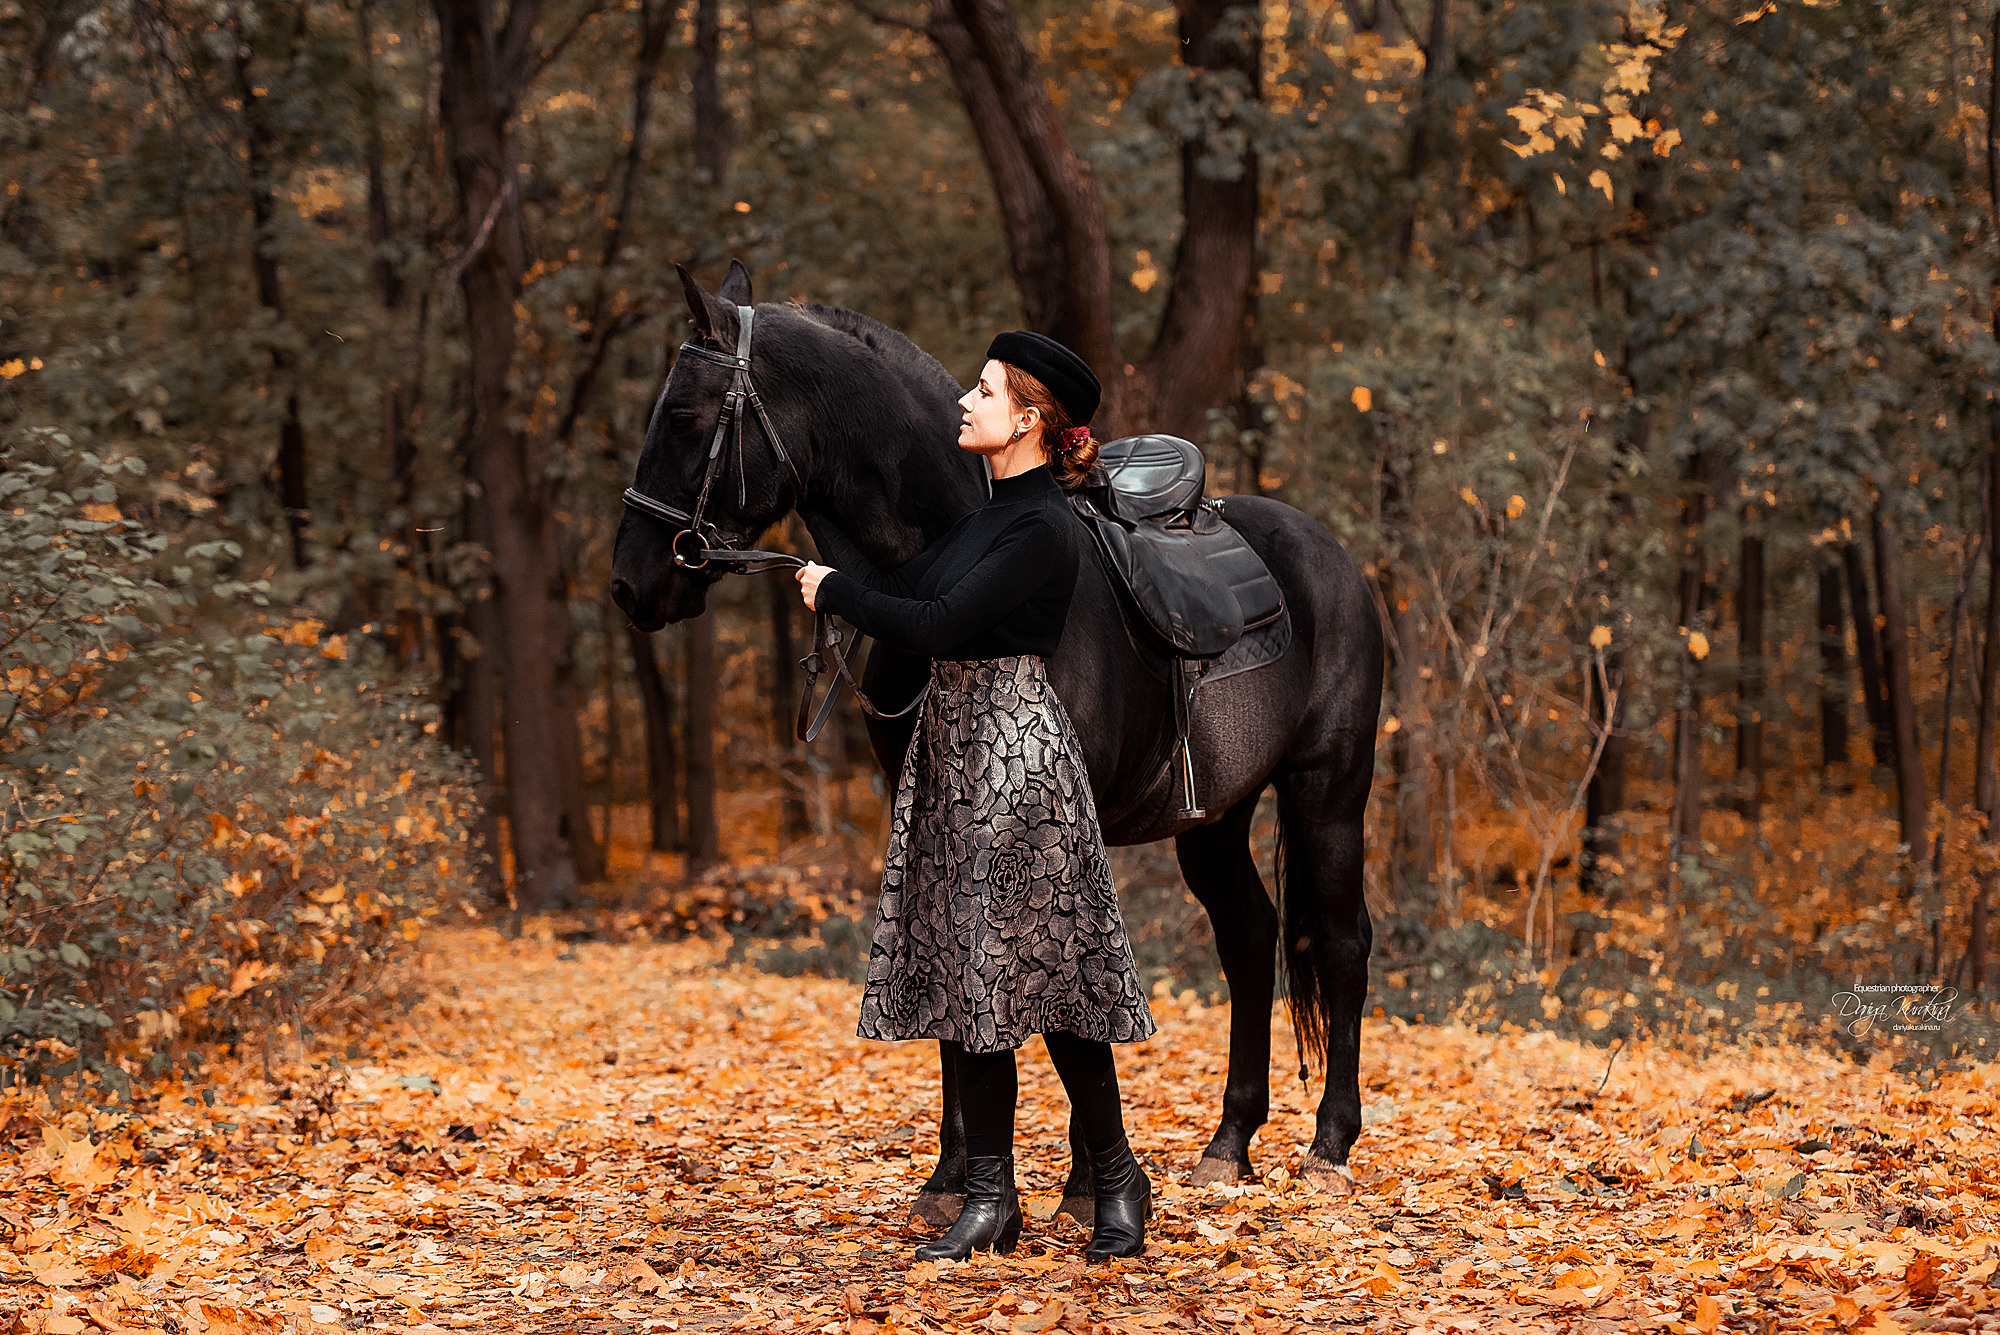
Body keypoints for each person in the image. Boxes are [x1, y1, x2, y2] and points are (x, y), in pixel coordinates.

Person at [795, 331, 1156, 1263]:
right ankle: (992, 1197)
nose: (965, 398)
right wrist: (808, 549)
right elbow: (903, 583)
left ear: (1028, 419)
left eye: (985, 390)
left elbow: (937, 621)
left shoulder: (1041, 527)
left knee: (1057, 980)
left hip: (1018, 759)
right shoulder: (987, 517)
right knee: (970, 975)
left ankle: (1117, 1174)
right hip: (955, 756)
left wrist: (836, 593)